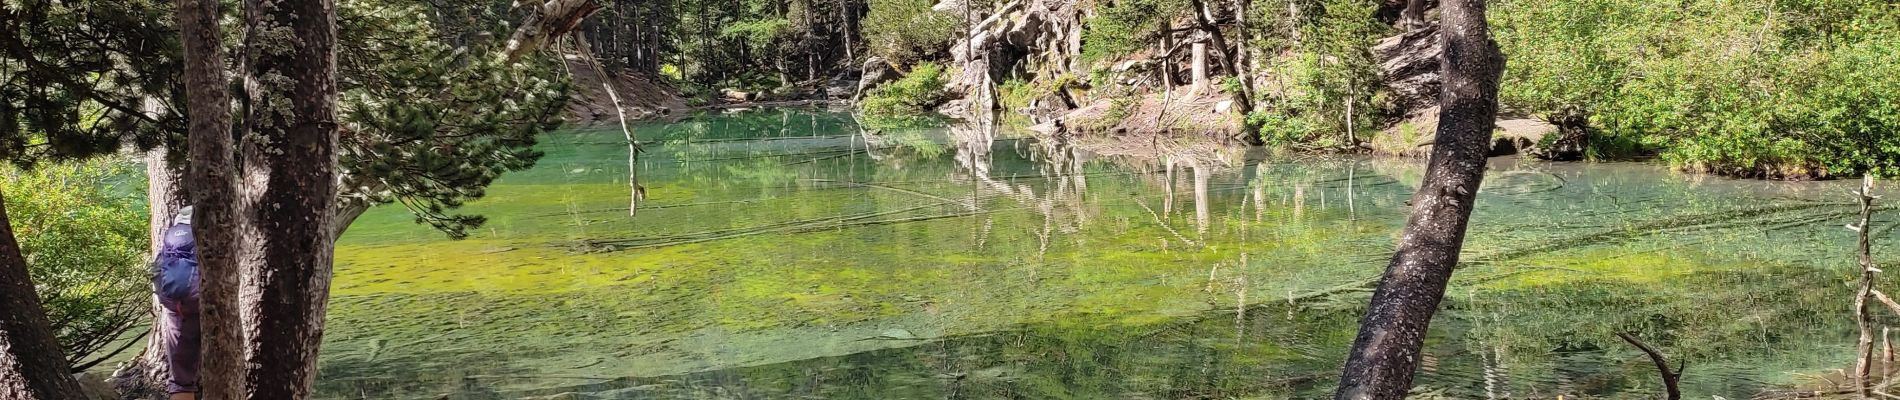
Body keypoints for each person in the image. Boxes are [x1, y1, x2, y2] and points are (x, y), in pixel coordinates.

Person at [153, 207, 200, 400]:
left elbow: (157, 276)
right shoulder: (212, 234)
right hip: (206, 303)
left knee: (181, 378)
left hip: (177, 309)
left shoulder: (170, 242)